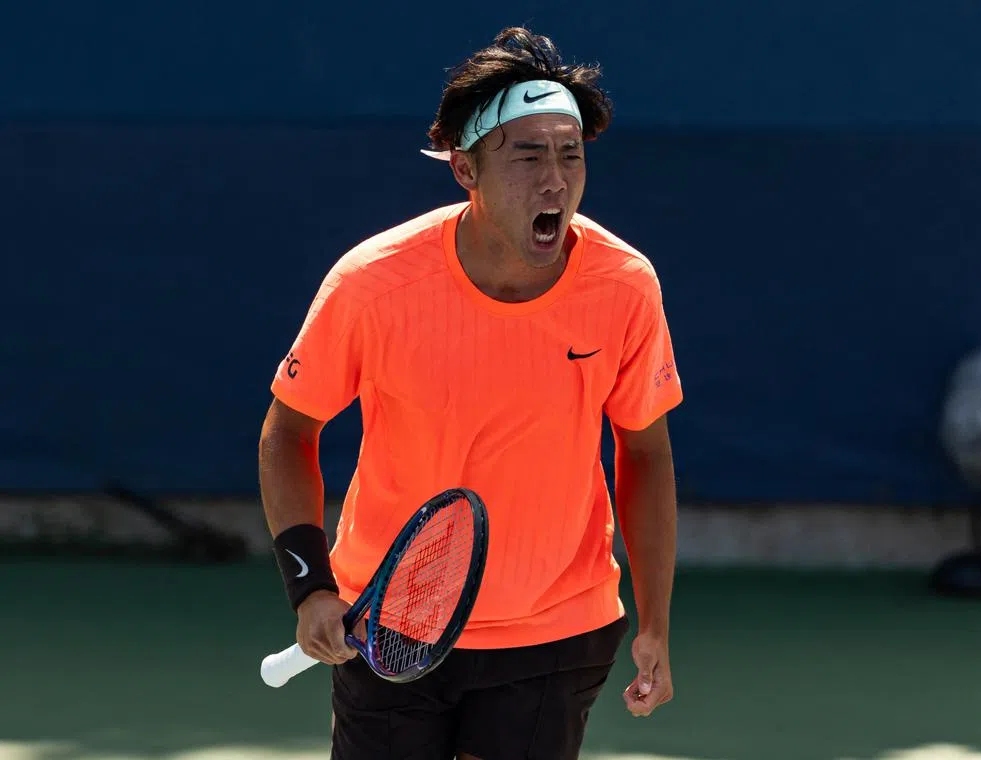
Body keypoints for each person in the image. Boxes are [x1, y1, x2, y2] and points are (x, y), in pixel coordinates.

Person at [258, 26, 683, 760]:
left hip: (558, 630)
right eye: (528, 155)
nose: (555, 180)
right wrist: (311, 587)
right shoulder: (373, 284)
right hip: (388, 623)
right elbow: (289, 431)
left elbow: (643, 450)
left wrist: (655, 623)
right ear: (465, 168)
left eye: (571, 154)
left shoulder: (625, 285)